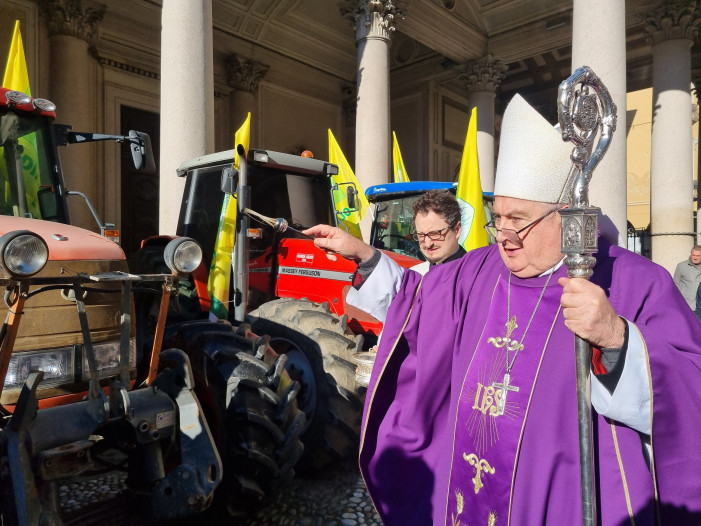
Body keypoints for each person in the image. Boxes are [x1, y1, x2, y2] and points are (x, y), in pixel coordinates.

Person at [304, 94, 701, 525]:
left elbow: (687, 388)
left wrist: (617, 339)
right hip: (465, 492)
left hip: (557, 501)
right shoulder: (478, 269)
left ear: (565, 215)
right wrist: (364, 255)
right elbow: (416, 304)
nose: (506, 235)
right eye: (498, 218)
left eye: (520, 220)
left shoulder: (633, 282)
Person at [673, 245, 701, 309]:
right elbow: (675, 284)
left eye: (698, 256)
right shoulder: (681, 266)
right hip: (687, 306)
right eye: (693, 255)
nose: (695, 258)